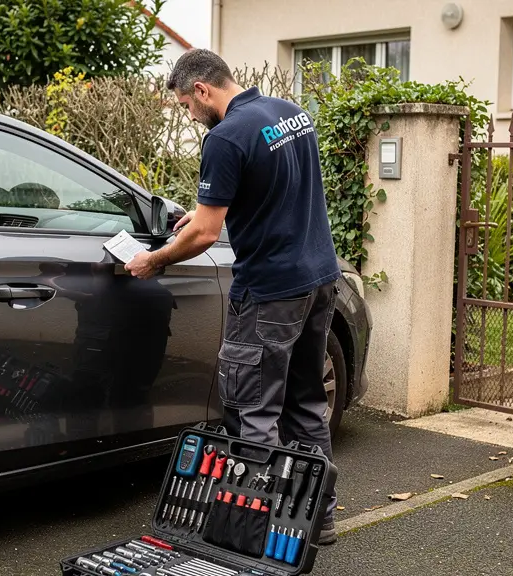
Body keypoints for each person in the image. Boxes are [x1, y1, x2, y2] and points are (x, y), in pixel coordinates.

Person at [124, 48, 341, 545]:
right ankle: (319, 518)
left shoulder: (224, 137)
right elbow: (276, 191)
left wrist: (152, 260)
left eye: (185, 105)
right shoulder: (291, 113)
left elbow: (203, 235)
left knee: (252, 411)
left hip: (268, 293)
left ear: (201, 90)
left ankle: (252, 533)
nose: (189, 115)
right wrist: (204, 215)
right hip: (319, 279)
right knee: (307, 403)